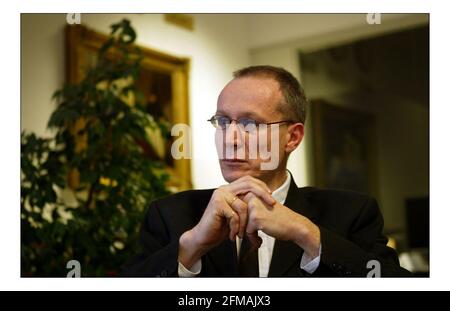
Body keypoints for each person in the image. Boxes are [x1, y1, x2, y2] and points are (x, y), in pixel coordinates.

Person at [122, 65, 411, 277]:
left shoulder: (352, 213)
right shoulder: (170, 215)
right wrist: (192, 245)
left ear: (293, 137)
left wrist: (306, 233)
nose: (230, 138)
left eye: (249, 124)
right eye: (223, 122)